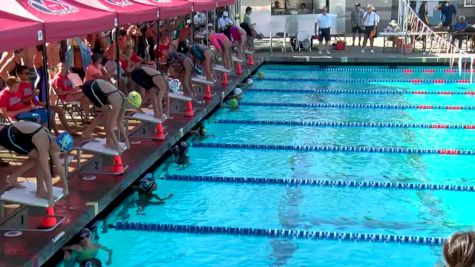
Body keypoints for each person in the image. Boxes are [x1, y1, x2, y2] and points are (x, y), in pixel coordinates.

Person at [0, 121, 72, 206]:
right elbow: (46, 173)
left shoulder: (53, 141)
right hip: (8, 135)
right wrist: (51, 197)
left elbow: (59, 167)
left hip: (22, 134)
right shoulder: (44, 143)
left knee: (39, 158)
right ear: (58, 144)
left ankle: (14, 178)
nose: (60, 152)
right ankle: (40, 190)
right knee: (39, 158)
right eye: (61, 150)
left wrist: (65, 186)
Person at [81, 79, 141, 151]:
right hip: (91, 87)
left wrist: (126, 140)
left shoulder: (125, 101)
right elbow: (110, 127)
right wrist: (117, 145)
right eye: (132, 107)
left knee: (107, 114)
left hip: (100, 88)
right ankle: (108, 142)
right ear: (130, 103)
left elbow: (120, 123)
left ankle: (87, 133)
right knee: (108, 114)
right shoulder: (117, 104)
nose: (131, 108)